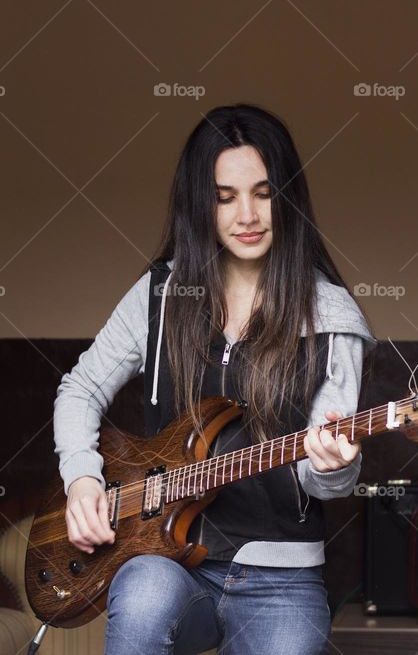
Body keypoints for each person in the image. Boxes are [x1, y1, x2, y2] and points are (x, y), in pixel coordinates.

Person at [53, 103, 377, 654]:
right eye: (224, 197)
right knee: (142, 600)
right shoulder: (160, 296)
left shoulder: (333, 318)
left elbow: (326, 483)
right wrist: (82, 479)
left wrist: (335, 466)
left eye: (263, 192)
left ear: (288, 195)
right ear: (199, 204)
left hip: (283, 581)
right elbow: (80, 390)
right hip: (164, 560)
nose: (246, 215)